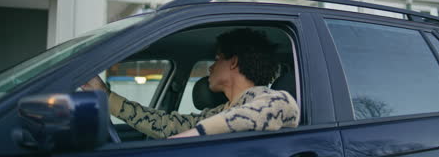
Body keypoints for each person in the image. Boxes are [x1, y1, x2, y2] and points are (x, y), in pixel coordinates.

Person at [82, 28, 299, 139]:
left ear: (233, 62)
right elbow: (165, 123)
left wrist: (197, 134)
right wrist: (105, 95)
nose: (210, 68)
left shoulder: (261, 98)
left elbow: (281, 105)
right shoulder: (220, 112)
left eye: (216, 59)